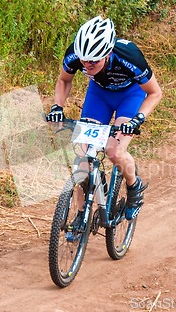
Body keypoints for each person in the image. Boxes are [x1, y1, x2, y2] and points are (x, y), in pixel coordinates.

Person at [46, 16, 162, 221]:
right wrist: (57, 106)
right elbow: (64, 80)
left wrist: (138, 119)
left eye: (94, 61)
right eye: (84, 60)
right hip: (99, 96)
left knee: (114, 151)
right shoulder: (75, 54)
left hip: (130, 96)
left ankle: (134, 187)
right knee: (81, 157)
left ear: (108, 53)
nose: (87, 65)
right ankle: (82, 216)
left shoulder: (128, 55)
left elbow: (155, 93)